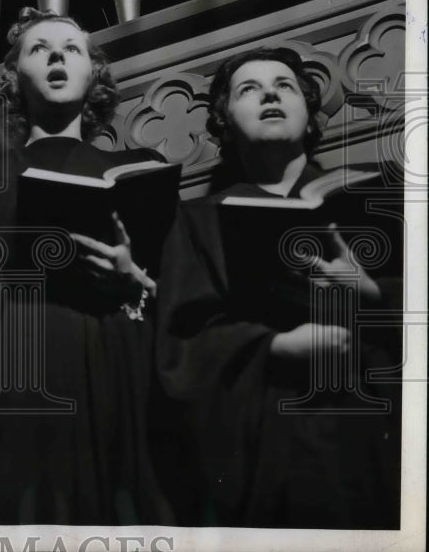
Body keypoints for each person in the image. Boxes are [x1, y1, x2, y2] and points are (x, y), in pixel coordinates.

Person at [0, 8, 173, 524]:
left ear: (94, 75)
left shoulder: (138, 171)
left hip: (120, 388)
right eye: (40, 48)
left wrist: (136, 282)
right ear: (15, 76)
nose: (58, 55)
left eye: (72, 48)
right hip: (12, 394)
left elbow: (185, 309)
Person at [156, 47, 402, 528]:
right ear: (224, 120)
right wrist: (272, 345)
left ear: (310, 114)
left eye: (285, 85)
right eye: (249, 89)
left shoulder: (377, 194)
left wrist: (373, 296)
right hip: (271, 437)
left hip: (377, 423)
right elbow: (182, 344)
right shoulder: (195, 222)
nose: (270, 93)